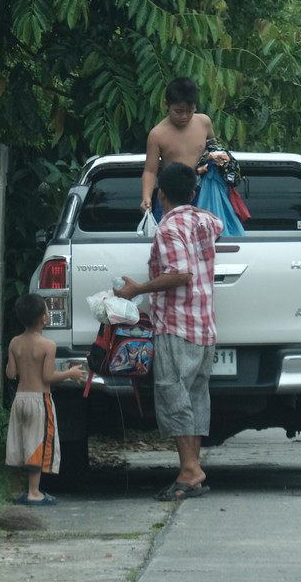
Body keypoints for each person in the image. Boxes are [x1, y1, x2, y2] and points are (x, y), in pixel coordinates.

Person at [116, 162, 224, 501]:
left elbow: (181, 274)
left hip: (176, 327)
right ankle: (191, 470)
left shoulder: (166, 229)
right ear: (192, 193)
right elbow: (219, 224)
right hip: (204, 327)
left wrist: (138, 289)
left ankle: (190, 470)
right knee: (194, 399)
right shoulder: (206, 221)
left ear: (161, 194)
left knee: (173, 398)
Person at [5, 293, 87, 506]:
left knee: (16, 442)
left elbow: (11, 374)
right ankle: (34, 492)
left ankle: (15, 492)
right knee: (37, 443)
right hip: (39, 400)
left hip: (19, 400)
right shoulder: (48, 345)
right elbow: (48, 377)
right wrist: (71, 373)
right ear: (43, 318)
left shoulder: (14, 342)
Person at [140, 77, 216, 216]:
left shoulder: (204, 122)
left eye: (190, 111)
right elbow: (150, 170)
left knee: (203, 232)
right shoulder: (157, 134)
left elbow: (217, 153)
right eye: (178, 111)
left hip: (201, 192)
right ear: (166, 105)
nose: (184, 116)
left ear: (195, 107)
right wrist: (146, 197)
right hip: (171, 196)